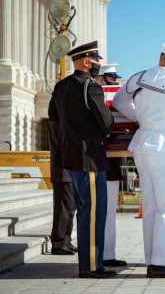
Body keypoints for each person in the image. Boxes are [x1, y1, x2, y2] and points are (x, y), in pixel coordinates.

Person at [112, 44, 165, 278]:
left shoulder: (139, 77)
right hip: (163, 145)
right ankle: (162, 264)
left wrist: (140, 117)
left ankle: (153, 259)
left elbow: (119, 102)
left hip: (141, 143)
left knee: (149, 206)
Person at [48, 41, 116, 279]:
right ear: (87, 62)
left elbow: (53, 117)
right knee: (93, 212)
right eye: (96, 61)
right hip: (90, 159)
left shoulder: (62, 86)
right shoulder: (91, 87)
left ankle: (90, 263)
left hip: (72, 157)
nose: (98, 65)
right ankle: (91, 266)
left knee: (85, 210)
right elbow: (106, 122)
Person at [95, 64, 127, 268]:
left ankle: (108, 252)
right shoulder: (95, 96)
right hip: (101, 163)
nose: (115, 82)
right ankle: (103, 254)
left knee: (109, 213)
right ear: (100, 78)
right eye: (110, 78)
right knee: (103, 212)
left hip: (111, 165)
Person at [49, 120, 77, 256]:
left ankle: (66, 240)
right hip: (63, 171)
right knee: (63, 209)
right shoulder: (58, 124)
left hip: (68, 170)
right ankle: (58, 243)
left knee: (70, 209)